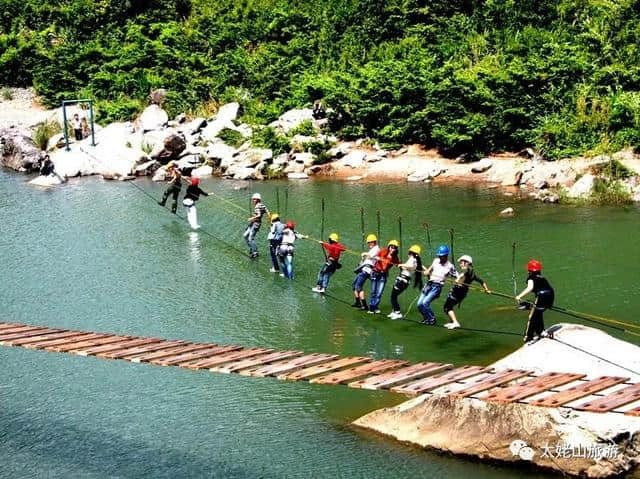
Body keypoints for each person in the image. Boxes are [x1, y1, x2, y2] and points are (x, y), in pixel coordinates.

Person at [443, 255, 491, 329]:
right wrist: (486, 289)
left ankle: (455, 322)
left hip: (457, 293)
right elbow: (482, 281)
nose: (460, 264)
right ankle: (453, 322)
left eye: (461, 263)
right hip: (461, 294)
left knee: (447, 308)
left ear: (466, 263)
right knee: (449, 307)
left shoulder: (466, 273)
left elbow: (459, 281)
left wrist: (456, 279)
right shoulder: (472, 274)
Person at [515, 259, 555, 343]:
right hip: (550, 296)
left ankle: (528, 337)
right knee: (538, 313)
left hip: (541, 297)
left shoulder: (530, 278)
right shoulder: (542, 278)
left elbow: (530, 288)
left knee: (532, 317)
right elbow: (547, 289)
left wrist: (519, 296)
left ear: (529, 271)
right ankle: (540, 331)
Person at [417, 245, 457, 325]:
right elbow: (428, 271)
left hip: (437, 287)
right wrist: (426, 272)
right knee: (419, 304)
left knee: (425, 303)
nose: (440, 257)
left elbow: (457, 276)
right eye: (439, 256)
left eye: (441, 256)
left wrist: (457, 282)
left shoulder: (450, 266)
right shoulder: (435, 261)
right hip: (429, 284)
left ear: (446, 256)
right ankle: (426, 318)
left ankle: (432, 319)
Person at [388, 245, 424, 320]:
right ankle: (394, 311)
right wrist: (401, 266)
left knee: (393, 296)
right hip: (403, 279)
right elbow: (408, 268)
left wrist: (401, 264)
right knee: (393, 296)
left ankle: (397, 312)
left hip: (402, 280)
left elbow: (410, 266)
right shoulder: (415, 260)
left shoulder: (413, 260)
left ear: (411, 252)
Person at [368, 240, 401, 314]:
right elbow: (375, 256)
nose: (392, 249)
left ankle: (374, 307)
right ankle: (372, 307)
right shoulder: (383, 251)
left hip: (383, 275)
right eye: (391, 247)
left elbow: (398, 264)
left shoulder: (394, 257)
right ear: (389, 246)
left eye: (394, 248)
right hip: (375, 272)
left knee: (379, 293)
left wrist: (403, 266)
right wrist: (377, 258)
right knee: (373, 292)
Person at [352, 234, 380, 311]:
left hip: (367, 270)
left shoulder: (376, 249)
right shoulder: (373, 249)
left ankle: (364, 305)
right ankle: (358, 302)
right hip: (364, 268)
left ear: (373, 242)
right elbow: (369, 256)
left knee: (358, 286)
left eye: (369, 242)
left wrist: (365, 254)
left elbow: (371, 256)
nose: (368, 244)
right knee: (354, 285)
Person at [244, 192, 270, 258]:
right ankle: (251, 248)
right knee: (245, 235)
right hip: (253, 223)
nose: (253, 200)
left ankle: (255, 252)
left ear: (257, 200)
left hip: (256, 224)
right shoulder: (262, 205)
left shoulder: (257, 206)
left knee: (250, 238)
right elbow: (267, 211)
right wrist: (269, 218)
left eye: (254, 199)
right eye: (253, 199)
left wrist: (251, 218)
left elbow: (258, 215)